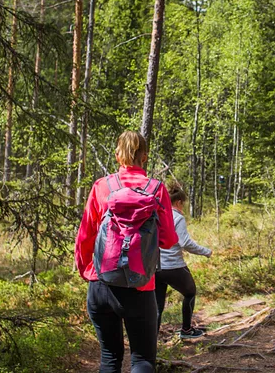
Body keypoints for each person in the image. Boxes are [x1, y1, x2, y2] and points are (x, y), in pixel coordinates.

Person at [75, 131, 177, 373]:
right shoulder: (156, 189)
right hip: (140, 288)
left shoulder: (102, 186)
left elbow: (85, 236)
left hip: (101, 284)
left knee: (109, 358)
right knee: (142, 360)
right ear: (144, 156)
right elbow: (169, 240)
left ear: (118, 155)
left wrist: (87, 271)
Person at [155, 183, 212, 339]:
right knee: (190, 292)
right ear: (179, 202)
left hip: (154, 267)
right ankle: (186, 330)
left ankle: (151, 339)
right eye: (184, 203)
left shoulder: (158, 214)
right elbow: (185, 243)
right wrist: (206, 252)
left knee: (157, 304)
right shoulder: (177, 218)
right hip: (173, 266)